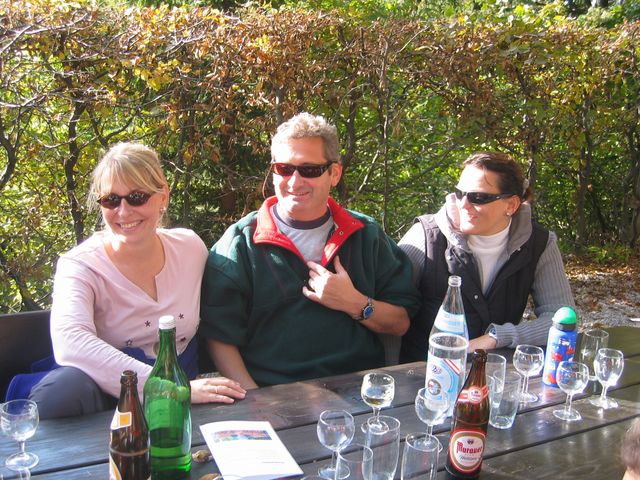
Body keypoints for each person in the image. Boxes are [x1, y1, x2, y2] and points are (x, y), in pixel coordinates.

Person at [200, 112, 421, 389]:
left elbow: (400, 322)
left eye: (309, 170)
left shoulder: (366, 235)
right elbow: (219, 338)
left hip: (358, 391)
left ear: (334, 173)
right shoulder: (240, 243)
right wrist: (256, 402)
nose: (294, 181)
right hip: (273, 392)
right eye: (284, 168)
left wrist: (354, 303)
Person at [29, 142, 245, 419]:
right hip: (106, 398)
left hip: (181, 406)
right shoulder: (80, 265)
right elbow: (71, 342)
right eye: (111, 200)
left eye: (137, 197)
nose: (123, 211)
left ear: (163, 196)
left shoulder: (190, 248)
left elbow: (227, 307)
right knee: (62, 392)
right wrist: (169, 388)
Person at [399, 151, 575, 361]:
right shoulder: (426, 236)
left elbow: (563, 320)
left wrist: (496, 337)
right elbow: (388, 314)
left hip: (494, 370)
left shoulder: (539, 244)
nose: (464, 204)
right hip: (423, 371)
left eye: (478, 197)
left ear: (511, 205)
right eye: (460, 193)